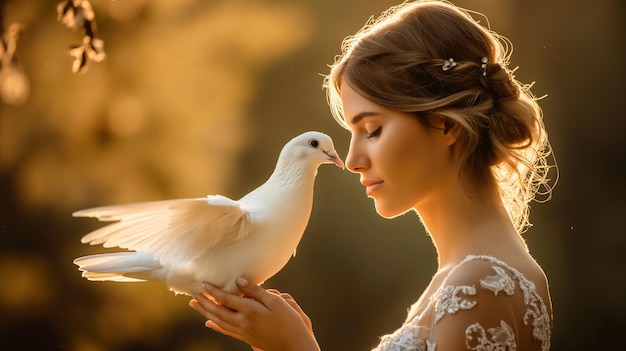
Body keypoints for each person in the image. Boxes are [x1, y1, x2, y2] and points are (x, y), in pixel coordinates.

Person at [189, 1, 556, 350]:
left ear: (444, 125)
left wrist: (295, 347)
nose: (351, 160)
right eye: (352, 133)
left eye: (373, 130)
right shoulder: (485, 276)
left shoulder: (479, 288)